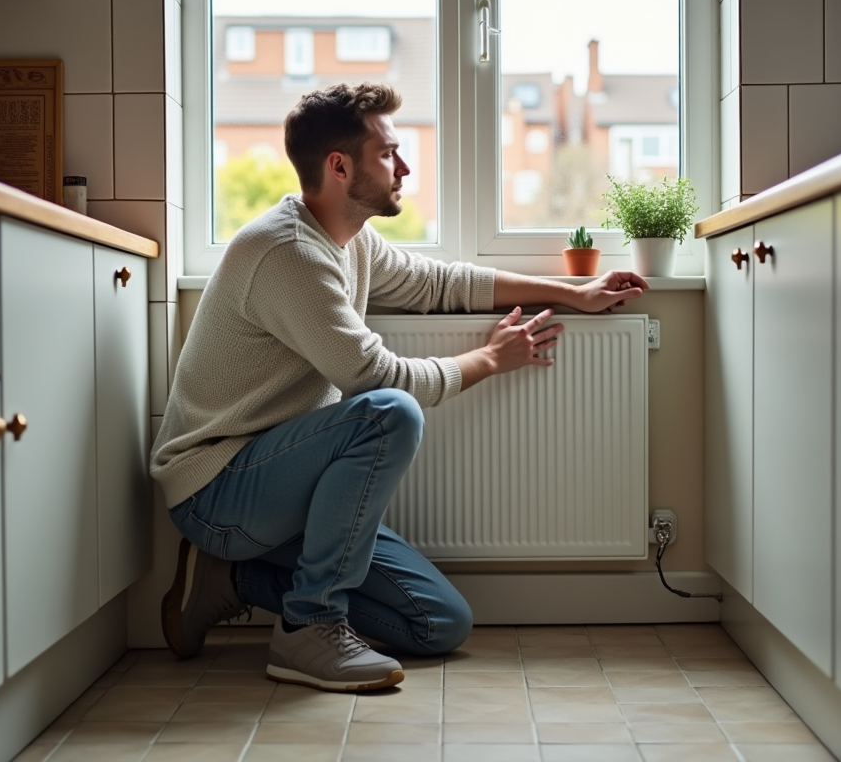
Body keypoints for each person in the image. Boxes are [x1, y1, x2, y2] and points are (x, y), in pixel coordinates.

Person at [151, 81, 648, 693]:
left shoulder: (350, 239)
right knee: (388, 413)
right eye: (388, 152)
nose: (404, 166)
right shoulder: (287, 252)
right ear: (339, 166)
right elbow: (376, 379)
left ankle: (230, 581)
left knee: (439, 623)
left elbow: (440, 284)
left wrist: (574, 293)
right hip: (218, 487)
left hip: (287, 481)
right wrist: (490, 360)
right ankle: (308, 628)